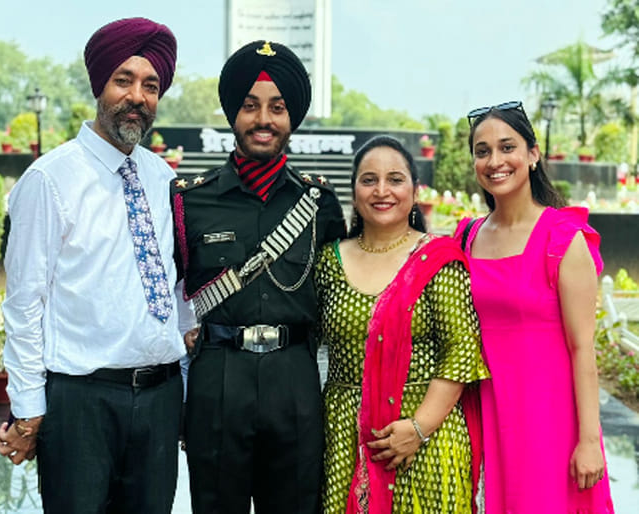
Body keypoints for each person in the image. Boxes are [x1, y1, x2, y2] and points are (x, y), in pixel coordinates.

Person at [0, 17, 190, 514]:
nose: (137, 97)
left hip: (160, 398)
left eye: (151, 86)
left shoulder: (162, 178)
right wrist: (28, 409)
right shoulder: (50, 179)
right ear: (99, 85)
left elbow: (175, 284)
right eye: (124, 80)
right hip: (81, 404)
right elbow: (24, 303)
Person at [171, 40, 346, 513]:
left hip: (294, 379)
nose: (263, 119)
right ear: (233, 113)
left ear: (293, 119)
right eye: (250, 106)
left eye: (277, 107)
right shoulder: (190, 200)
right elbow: (164, 291)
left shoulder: (320, 203)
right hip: (217, 377)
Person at [316, 135, 490, 513]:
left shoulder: (438, 259)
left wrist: (418, 428)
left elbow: (461, 351)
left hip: (429, 435)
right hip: (347, 436)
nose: (382, 191)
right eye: (369, 180)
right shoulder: (328, 261)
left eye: (395, 179)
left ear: (414, 191)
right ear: (354, 192)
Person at [456, 101, 615, 513]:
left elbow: (583, 348)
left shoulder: (562, 238)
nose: (495, 161)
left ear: (533, 154)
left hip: (551, 420)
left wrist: (588, 439)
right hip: (490, 413)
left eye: (507, 147)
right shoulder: (466, 238)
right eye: (482, 151)